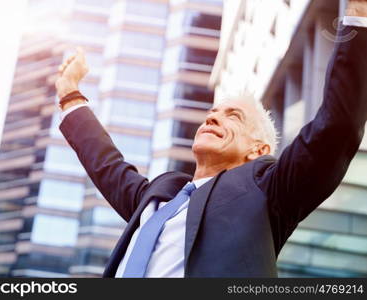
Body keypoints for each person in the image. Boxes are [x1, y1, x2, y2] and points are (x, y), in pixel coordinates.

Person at [54, 2, 367, 277]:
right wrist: (70, 94)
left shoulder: (269, 189)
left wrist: (358, 11)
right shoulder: (160, 193)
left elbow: (336, 128)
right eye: (213, 112)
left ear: (258, 150)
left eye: (233, 116)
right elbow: (107, 165)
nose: (212, 117)